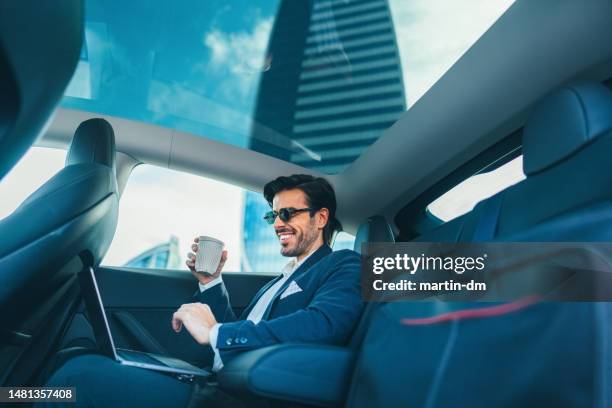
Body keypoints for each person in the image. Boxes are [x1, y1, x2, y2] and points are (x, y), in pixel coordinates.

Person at [41, 174, 364, 407]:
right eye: (272, 215)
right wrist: (210, 281)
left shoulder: (343, 264)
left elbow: (323, 324)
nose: (277, 223)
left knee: (76, 380)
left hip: (243, 397)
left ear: (321, 218)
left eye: (287, 214)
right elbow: (244, 331)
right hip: (215, 381)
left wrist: (217, 333)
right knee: (78, 356)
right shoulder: (278, 281)